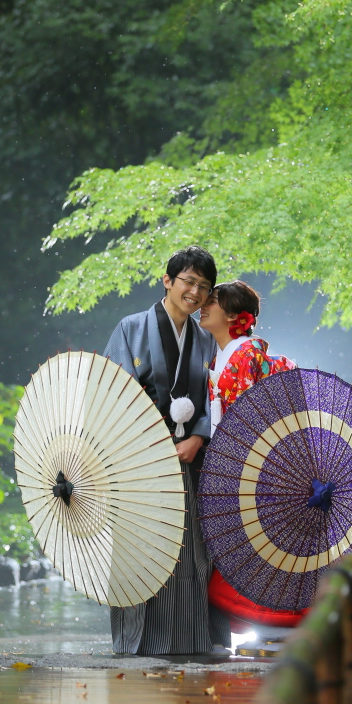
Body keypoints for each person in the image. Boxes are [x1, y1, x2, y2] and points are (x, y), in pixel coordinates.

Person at [103, 246, 231, 656]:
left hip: (190, 461)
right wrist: (153, 443)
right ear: (167, 280)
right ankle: (137, 642)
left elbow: (217, 397)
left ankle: (189, 640)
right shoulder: (131, 329)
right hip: (142, 462)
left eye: (203, 286)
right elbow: (113, 391)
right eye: (188, 281)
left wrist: (199, 436)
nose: (194, 292)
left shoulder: (204, 339)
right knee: (143, 549)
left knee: (189, 551)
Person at [198, 280, 306, 632]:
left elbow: (249, 420)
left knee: (252, 557)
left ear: (232, 315)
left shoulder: (246, 355)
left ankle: (270, 632)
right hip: (232, 464)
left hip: (249, 468)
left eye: (212, 300)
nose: (203, 305)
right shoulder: (225, 355)